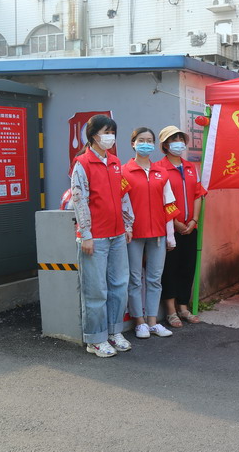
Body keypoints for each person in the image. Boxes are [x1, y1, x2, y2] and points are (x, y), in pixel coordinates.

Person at [70, 114, 135, 358]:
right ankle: (95, 339)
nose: (110, 137)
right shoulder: (82, 163)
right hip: (95, 237)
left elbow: (123, 195)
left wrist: (127, 224)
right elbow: (79, 200)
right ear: (93, 135)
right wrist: (86, 233)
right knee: (95, 290)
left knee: (118, 286)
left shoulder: (115, 162)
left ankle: (114, 331)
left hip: (117, 234)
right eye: (106, 132)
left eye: (112, 132)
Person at [123, 127, 178, 339]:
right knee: (135, 279)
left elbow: (169, 205)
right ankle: (140, 323)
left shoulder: (161, 173)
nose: (145, 144)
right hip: (134, 235)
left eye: (149, 140)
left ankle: (153, 322)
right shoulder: (124, 172)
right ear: (133, 143)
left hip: (158, 234)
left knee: (155, 279)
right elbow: (122, 204)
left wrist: (170, 235)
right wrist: (126, 228)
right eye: (141, 140)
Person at [155, 125, 206, 328]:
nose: (179, 143)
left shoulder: (191, 167)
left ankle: (183, 307)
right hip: (170, 228)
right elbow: (159, 199)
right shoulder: (159, 168)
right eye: (173, 140)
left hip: (190, 228)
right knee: (170, 268)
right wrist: (175, 221)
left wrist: (194, 220)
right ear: (165, 145)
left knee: (187, 266)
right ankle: (170, 310)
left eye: (181, 139)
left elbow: (198, 195)